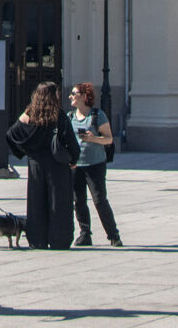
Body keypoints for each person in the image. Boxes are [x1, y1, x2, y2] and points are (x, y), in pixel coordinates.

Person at [5, 81, 78, 249]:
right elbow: (71, 141)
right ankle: (60, 238)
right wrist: (73, 160)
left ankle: (37, 239)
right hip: (57, 163)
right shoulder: (58, 116)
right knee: (58, 201)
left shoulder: (30, 114)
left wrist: (24, 151)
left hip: (36, 163)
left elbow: (11, 134)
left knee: (37, 200)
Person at [70, 82, 120, 247]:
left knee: (99, 200)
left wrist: (93, 139)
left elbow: (109, 139)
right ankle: (85, 234)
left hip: (95, 164)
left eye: (74, 93)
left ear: (84, 96)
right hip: (76, 165)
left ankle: (113, 235)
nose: (71, 96)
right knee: (79, 201)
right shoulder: (70, 117)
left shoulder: (97, 115)